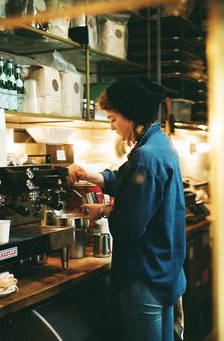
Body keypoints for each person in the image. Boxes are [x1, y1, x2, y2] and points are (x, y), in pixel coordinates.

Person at [67, 75, 186, 341]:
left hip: (144, 276)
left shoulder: (146, 157)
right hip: (165, 272)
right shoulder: (159, 144)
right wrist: (90, 175)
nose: (111, 126)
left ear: (130, 115)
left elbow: (129, 226)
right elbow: (124, 180)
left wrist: (105, 211)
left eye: (112, 118)